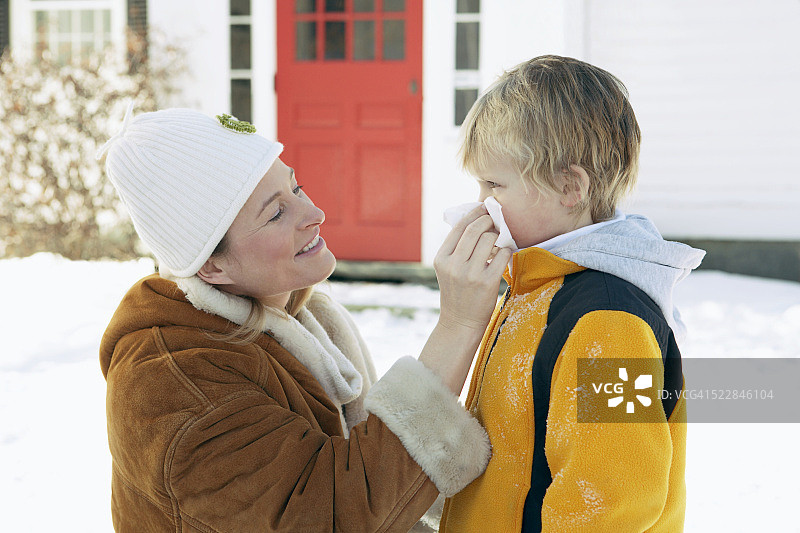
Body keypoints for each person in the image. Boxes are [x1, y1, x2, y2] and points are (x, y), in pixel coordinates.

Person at [96, 106, 512, 532]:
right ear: (211, 269)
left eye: (297, 189)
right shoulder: (171, 386)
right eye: (275, 214)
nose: (314, 215)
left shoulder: (300, 316)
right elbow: (331, 514)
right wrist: (458, 325)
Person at [438, 55, 706, 532]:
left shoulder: (609, 321)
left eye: (494, 184)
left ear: (569, 186)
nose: (481, 202)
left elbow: (609, 502)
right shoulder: (535, 286)